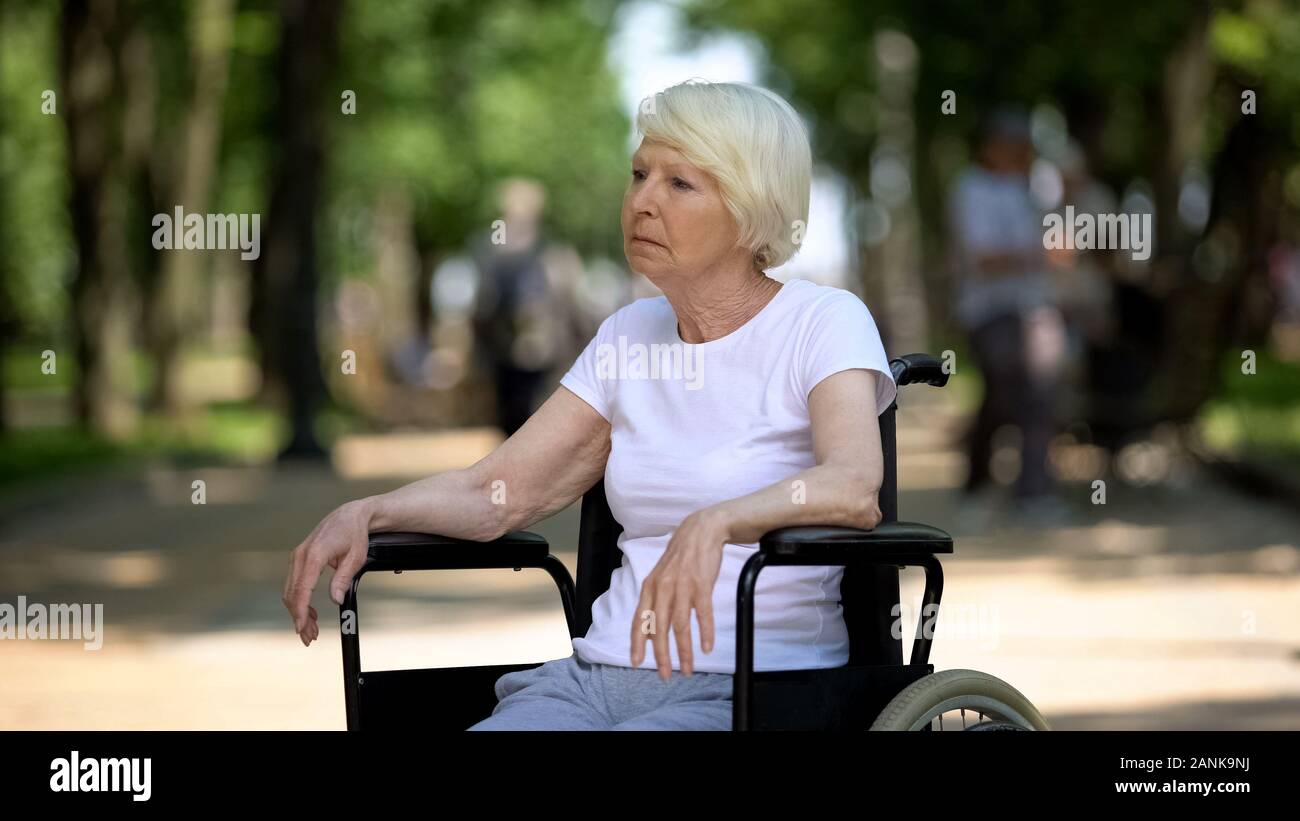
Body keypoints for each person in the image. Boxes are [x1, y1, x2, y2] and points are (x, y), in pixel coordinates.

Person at [282, 80, 897, 730]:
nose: (642, 201)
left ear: (750, 210)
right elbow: (497, 491)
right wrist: (370, 511)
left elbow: (854, 486)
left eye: (679, 184)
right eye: (638, 174)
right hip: (591, 681)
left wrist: (718, 521)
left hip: (751, 693)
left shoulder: (821, 321)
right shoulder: (627, 336)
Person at [947, 106, 1067, 522]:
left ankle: (1033, 493)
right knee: (1002, 393)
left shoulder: (1030, 191)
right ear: (994, 148)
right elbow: (981, 258)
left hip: (1035, 308)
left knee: (1042, 396)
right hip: (989, 311)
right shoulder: (971, 190)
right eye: (1016, 149)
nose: (1022, 158)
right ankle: (977, 484)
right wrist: (1040, 253)